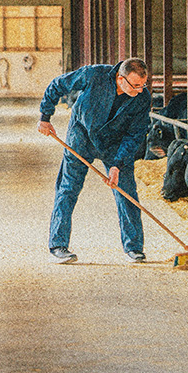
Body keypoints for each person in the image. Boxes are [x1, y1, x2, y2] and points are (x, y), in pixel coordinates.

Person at [37, 58, 151, 264]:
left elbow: (135, 134)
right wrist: (45, 117)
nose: (140, 90)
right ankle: (58, 245)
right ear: (120, 79)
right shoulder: (94, 75)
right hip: (81, 137)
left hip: (115, 144)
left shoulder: (142, 98)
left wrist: (117, 164)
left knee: (126, 191)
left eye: (143, 85)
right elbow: (58, 85)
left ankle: (134, 248)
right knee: (68, 188)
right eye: (136, 86)